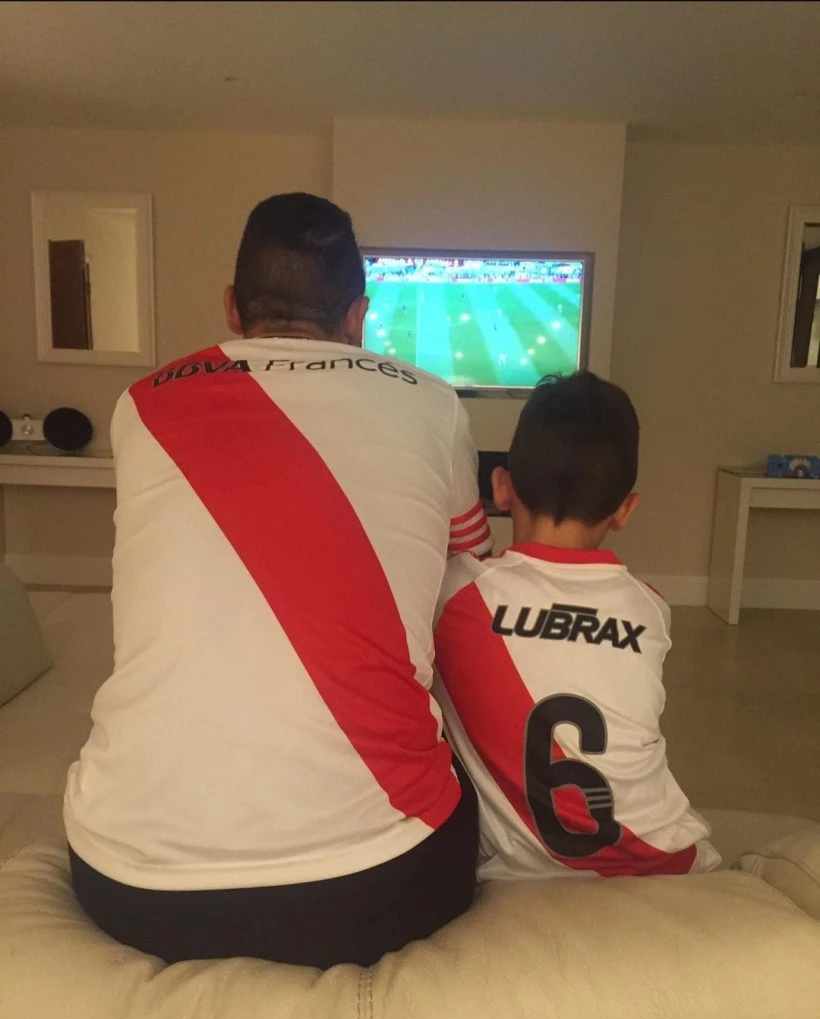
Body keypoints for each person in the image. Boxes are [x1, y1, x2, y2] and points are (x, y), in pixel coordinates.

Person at [64, 193, 492, 969]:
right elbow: (471, 568)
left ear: (233, 307)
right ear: (358, 316)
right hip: (377, 886)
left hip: (125, 881)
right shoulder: (435, 405)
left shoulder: (138, 406)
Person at [433, 372, 720, 881]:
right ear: (625, 511)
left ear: (501, 486)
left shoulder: (453, 596)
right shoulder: (650, 609)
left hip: (524, 881)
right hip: (673, 868)